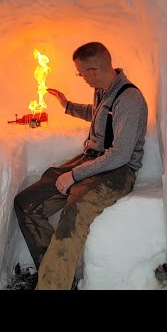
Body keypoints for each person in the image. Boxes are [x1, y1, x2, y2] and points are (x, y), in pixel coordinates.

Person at [13, 41, 148, 290]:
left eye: (81, 72)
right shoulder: (103, 91)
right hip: (92, 160)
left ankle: (52, 286)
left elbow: (119, 156)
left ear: (94, 71)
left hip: (118, 172)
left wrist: (75, 175)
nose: (82, 78)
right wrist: (67, 106)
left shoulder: (130, 100)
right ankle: (52, 274)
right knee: (26, 203)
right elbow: (100, 116)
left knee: (74, 211)